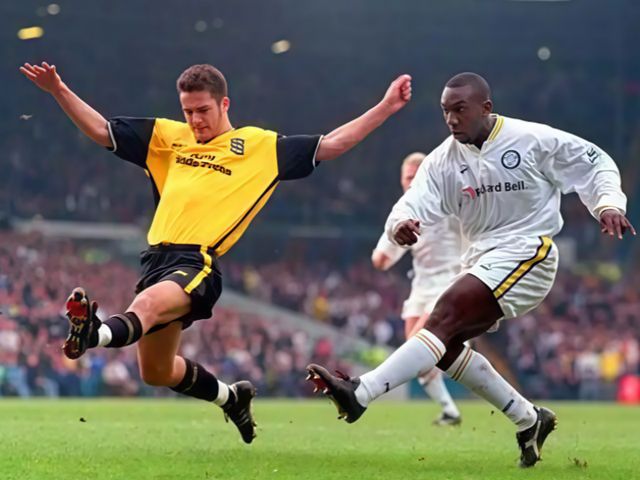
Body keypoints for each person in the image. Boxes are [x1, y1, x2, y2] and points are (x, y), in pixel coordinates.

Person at [20, 61, 412, 444]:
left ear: (225, 104)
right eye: (188, 111)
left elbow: (331, 144)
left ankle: (96, 332)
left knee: (147, 305)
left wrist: (386, 106)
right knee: (156, 372)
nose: (195, 120)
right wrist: (59, 90)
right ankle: (232, 398)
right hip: (155, 259)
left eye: (203, 110)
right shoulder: (166, 136)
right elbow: (103, 130)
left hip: (197, 262)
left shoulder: (258, 146)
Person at [307, 72, 635, 467]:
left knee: (441, 317)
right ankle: (529, 419)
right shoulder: (442, 161)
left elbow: (595, 161)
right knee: (443, 348)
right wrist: (401, 224)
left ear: (486, 108)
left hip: (529, 252)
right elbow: (412, 201)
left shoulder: (531, 139)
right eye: (445, 111)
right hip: (480, 259)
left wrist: (607, 204)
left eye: (460, 109)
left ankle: (360, 392)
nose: (451, 119)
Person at [371, 152, 463, 426]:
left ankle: (366, 391)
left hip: (451, 282)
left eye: (415, 176)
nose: (411, 182)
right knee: (423, 357)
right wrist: (386, 250)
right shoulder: (404, 210)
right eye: (407, 177)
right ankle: (450, 411)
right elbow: (381, 259)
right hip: (421, 286)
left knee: (416, 347)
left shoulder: (447, 203)